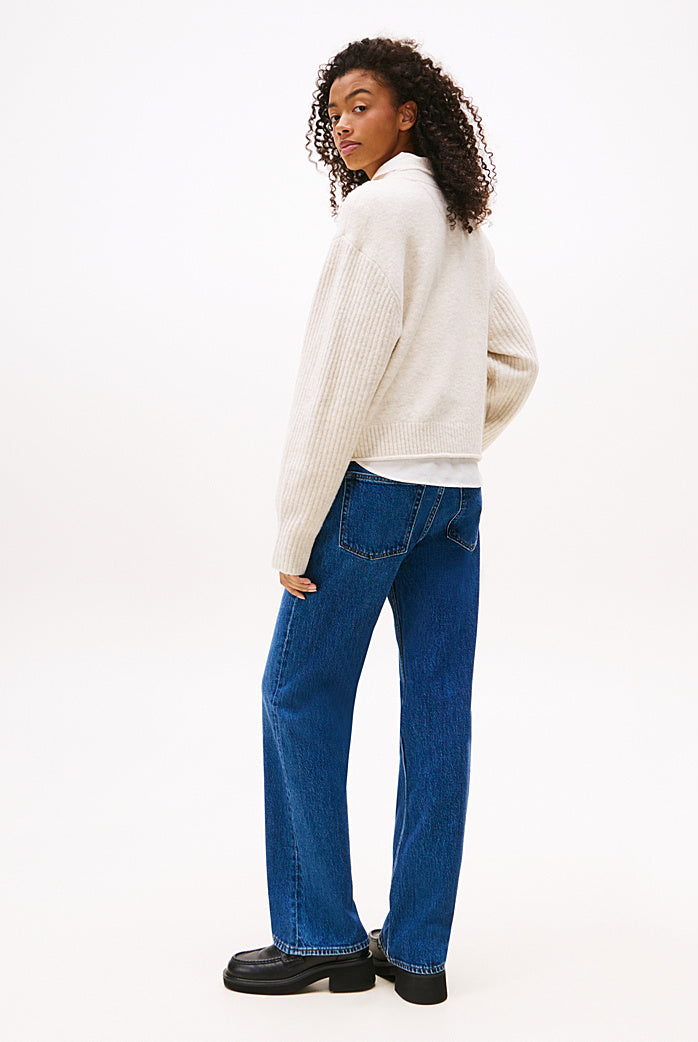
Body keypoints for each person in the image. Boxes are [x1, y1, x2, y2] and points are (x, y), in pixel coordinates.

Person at [222, 36, 539, 1005]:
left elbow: (336, 386)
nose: (343, 126)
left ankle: (320, 934)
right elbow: (517, 360)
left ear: (408, 112)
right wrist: (448, 435)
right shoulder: (455, 216)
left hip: (374, 494)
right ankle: (417, 950)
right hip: (455, 498)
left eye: (360, 105)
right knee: (437, 711)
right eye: (333, 114)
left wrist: (294, 531)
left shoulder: (377, 213)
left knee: (296, 693)